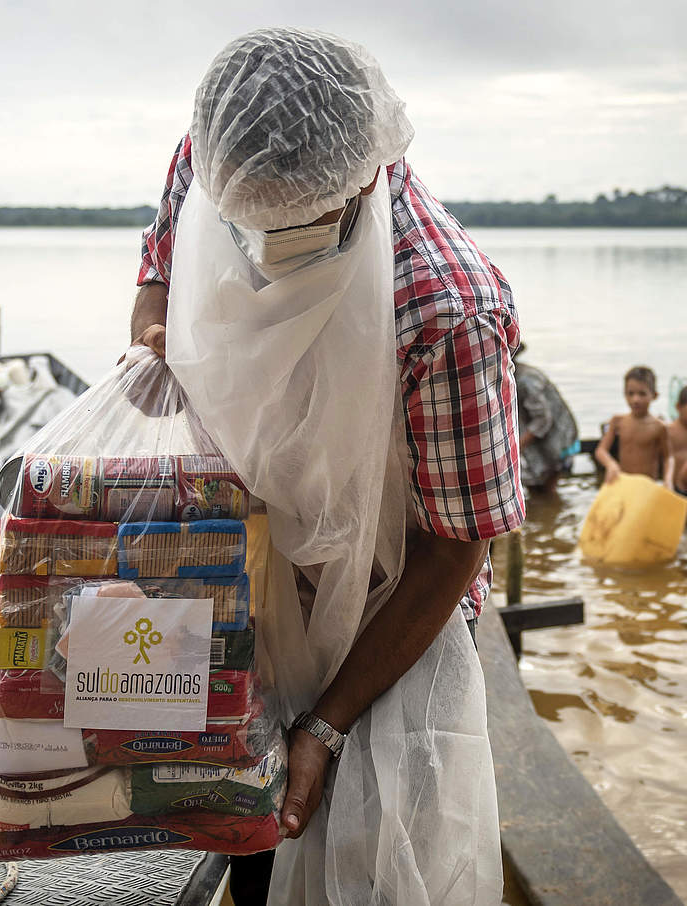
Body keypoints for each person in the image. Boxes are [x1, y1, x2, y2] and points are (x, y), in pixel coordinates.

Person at [129, 28, 521, 906]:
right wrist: (153, 343)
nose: (262, 248)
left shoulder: (446, 313)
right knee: (251, 850)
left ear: (366, 177)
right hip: (244, 577)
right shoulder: (213, 154)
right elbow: (158, 268)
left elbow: (455, 547)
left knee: (375, 863)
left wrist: (329, 723)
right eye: (244, 225)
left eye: (295, 226)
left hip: (389, 619)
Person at [594, 365, 674, 489]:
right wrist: (611, 464)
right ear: (624, 394)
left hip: (647, 486)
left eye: (642, 394)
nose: (635, 399)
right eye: (630, 394)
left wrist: (668, 480)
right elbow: (601, 451)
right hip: (623, 484)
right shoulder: (617, 421)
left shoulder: (660, 427)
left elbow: (668, 457)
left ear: (654, 395)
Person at [514, 345, 578, 494]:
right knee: (535, 488)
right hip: (535, 439)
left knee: (547, 490)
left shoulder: (526, 379)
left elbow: (542, 419)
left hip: (556, 438)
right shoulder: (511, 376)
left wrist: (518, 447)